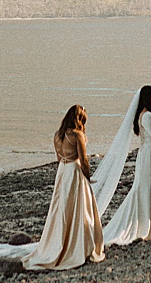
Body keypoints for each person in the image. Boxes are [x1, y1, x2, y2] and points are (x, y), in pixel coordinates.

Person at [24, 105, 106, 270]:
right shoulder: (77, 135)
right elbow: (84, 160)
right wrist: (88, 177)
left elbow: (58, 158)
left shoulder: (57, 135)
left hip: (62, 170)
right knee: (79, 208)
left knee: (61, 208)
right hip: (74, 171)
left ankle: (60, 240)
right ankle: (78, 245)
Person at [103, 85, 151, 246]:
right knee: (146, 187)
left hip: (150, 154)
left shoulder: (146, 115)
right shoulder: (147, 116)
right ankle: (146, 224)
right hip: (148, 156)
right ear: (149, 97)